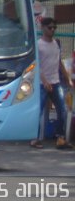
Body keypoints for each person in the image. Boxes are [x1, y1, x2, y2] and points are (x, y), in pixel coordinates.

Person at [30, 17, 73, 149]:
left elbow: (59, 62)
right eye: (50, 27)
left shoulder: (56, 44)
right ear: (43, 28)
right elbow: (36, 65)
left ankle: (60, 137)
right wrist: (44, 80)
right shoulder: (38, 45)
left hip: (55, 82)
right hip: (41, 84)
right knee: (38, 110)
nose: (52, 30)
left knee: (63, 109)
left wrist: (67, 79)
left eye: (54, 27)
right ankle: (34, 138)